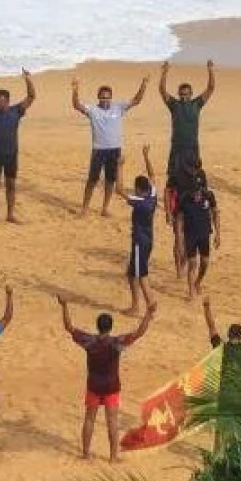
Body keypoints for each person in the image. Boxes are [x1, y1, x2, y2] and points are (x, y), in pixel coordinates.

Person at [59, 294, 157, 462]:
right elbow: (139, 333)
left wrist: (64, 306)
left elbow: (69, 327)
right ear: (110, 327)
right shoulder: (116, 343)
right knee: (112, 420)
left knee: (89, 419)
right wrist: (148, 313)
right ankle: (112, 457)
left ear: (98, 327)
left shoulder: (89, 341)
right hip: (111, 387)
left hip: (94, 386)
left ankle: (86, 453)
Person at [72, 76, 149, 217]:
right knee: (92, 180)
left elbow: (136, 100)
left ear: (111, 98)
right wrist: (75, 90)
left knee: (110, 180)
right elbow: (77, 106)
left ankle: (105, 208)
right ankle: (85, 208)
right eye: (102, 98)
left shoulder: (118, 107)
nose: (105, 100)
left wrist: (143, 84)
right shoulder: (93, 109)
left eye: (107, 98)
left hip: (114, 150)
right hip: (98, 150)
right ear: (98, 98)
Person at [0, 61, 36, 225]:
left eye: (2, 101)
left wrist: (28, 79)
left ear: (8, 101)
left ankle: (10, 214)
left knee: (11, 185)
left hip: (11, 154)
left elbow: (31, 97)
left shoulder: (16, 111)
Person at [115, 146, 158, 315]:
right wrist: (146, 156)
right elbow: (153, 175)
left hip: (140, 241)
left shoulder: (139, 201)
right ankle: (135, 306)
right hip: (148, 239)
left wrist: (120, 166)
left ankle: (150, 302)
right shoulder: (152, 195)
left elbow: (119, 190)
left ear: (139, 189)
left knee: (141, 275)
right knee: (131, 273)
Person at [159, 59, 216, 182]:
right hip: (177, 146)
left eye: (186, 94)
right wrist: (164, 72)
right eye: (182, 95)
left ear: (191, 94)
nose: (184, 97)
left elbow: (211, 88)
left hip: (192, 146)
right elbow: (162, 91)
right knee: (173, 176)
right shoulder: (174, 105)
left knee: (193, 175)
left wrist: (210, 70)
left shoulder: (197, 104)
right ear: (179, 94)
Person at [203, 294, 241, 399]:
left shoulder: (220, 347)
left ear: (228, 335)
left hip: (224, 396)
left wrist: (206, 307)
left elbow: (211, 326)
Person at [176, 172, 220, 296]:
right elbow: (179, 220)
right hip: (190, 235)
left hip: (204, 234)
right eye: (194, 192)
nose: (196, 195)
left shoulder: (209, 196)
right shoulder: (184, 199)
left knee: (205, 263)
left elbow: (216, 213)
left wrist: (218, 234)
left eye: (198, 192)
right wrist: (179, 241)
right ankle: (191, 292)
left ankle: (198, 282)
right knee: (193, 263)